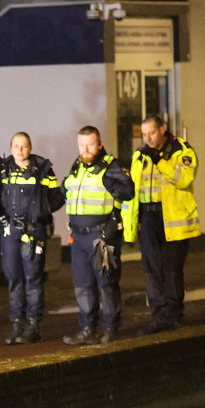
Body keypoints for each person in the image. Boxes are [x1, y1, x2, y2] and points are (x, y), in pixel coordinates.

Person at [120, 115, 200, 334]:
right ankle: (158, 316)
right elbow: (133, 191)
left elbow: (184, 179)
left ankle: (173, 315)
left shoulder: (182, 151)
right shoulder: (140, 155)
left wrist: (159, 160)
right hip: (148, 218)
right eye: (144, 134)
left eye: (151, 133)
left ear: (163, 129)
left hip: (173, 220)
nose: (147, 138)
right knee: (151, 270)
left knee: (171, 270)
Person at [0, 132, 64, 345]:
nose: (19, 150)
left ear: (30, 148)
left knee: (33, 278)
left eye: (24, 146)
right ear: (11, 148)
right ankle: (16, 325)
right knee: (14, 278)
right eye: (16, 146)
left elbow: (57, 197)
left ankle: (33, 325)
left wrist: (41, 213)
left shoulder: (43, 169)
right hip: (10, 232)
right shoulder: (2, 170)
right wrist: (0, 221)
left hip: (33, 231)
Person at [61, 126, 134, 345]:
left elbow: (128, 191)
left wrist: (110, 183)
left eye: (90, 144)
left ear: (100, 144)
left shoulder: (111, 166)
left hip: (101, 236)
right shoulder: (77, 166)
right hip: (78, 237)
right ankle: (87, 329)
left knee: (106, 284)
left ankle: (111, 328)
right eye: (81, 144)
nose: (85, 149)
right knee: (82, 285)